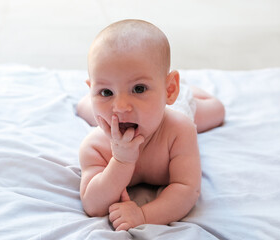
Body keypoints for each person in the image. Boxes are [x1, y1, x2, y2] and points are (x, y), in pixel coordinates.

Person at [77, 19, 225, 231]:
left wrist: (143, 215)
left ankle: (185, 88)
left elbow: (186, 188)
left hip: (178, 107)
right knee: (86, 110)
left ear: (168, 90)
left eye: (138, 89)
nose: (120, 107)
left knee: (217, 110)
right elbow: (93, 204)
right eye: (106, 92)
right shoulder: (95, 147)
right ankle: (88, 99)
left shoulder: (179, 131)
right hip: (110, 113)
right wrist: (121, 161)